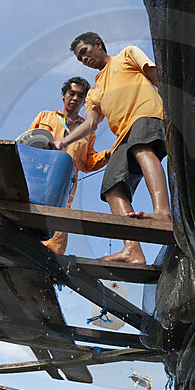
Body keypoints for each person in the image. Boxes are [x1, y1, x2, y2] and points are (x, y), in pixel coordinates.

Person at [55, 32, 170, 265]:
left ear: (98, 45)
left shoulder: (127, 55)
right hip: (122, 136)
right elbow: (90, 123)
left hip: (146, 114)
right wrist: (64, 142)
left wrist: (171, 106)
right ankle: (132, 250)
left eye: (85, 53)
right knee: (111, 188)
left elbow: (156, 77)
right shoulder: (94, 92)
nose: (84, 60)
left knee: (142, 149)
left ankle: (163, 213)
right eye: (80, 59)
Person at [29, 76, 110, 255]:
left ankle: (50, 273)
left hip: (64, 192)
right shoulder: (45, 116)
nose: (74, 98)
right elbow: (26, 146)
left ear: (84, 101)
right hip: (36, 185)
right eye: (71, 93)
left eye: (80, 96)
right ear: (64, 95)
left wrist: (107, 155)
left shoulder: (88, 129)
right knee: (27, 230)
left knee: (54, 245)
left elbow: (87, 163)